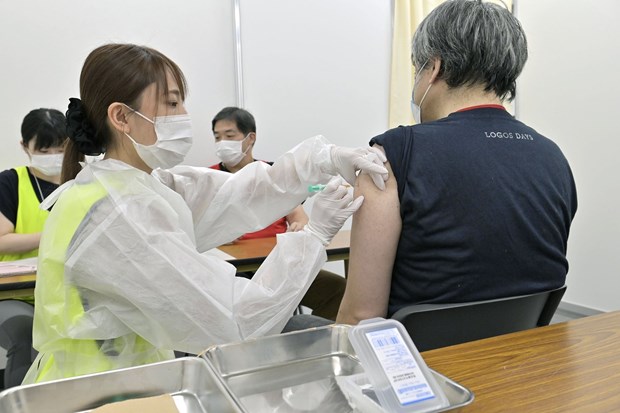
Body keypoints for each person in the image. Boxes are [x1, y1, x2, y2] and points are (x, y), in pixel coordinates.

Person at [23, 43, 388, 384]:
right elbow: (236, 321)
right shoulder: (117, 214)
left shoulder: (141, 186)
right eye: (171, 103)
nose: (183, 116)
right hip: (97, 389)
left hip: (132, 376)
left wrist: (323, 160)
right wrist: (313, 236)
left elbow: (240, 194)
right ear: (121, 116)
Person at [337, 0, 577, 325]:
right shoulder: (554, 158)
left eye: (417, 70)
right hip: (526, 353)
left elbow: (360, 317)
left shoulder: (393, 156)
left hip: (418, 357)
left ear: (434, 68)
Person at [210, 106, 346, 320]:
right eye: (217, 137)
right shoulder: (208, 178)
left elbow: (299, 217)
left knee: (337, 288)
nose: (222, 143)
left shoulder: (274, 174)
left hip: (279, 264)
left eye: (229, 135)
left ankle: (311, 337)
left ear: (250, 138)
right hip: (236, 270)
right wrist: (218, 234)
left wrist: (299, 227)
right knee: (247, 304)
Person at [0, 108, 66, 388]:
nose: (54, 156)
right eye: (44, 150)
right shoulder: (10, 182)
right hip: (18, 294)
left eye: (60, 148)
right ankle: (20, 403)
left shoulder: (81, 180)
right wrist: (52, 235)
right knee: (26, 336)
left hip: (68, 291)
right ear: (24, 146)